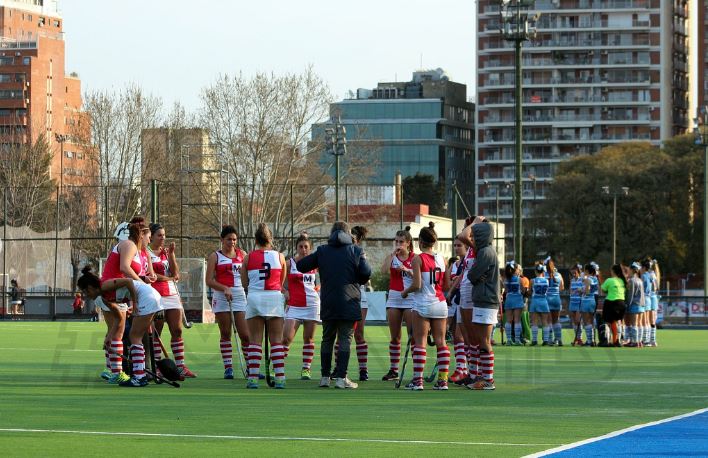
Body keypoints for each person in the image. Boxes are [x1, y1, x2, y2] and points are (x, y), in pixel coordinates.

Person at [297, 221, 372, 390]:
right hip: (349, 301)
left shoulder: (323, 250)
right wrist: (357, 279)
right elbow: (367, 272)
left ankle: (325, 377)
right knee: (345, 339)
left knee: (327, 339)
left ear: (331, 233)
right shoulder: (356, 250)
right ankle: (341, 378)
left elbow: (301, 266)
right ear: (348, 234)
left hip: (328, 302)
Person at [97, 220, 150, 384]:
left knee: (114, 332)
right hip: (113, 291)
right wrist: (141, 285)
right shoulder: (129, 245)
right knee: (118, 333)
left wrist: (142, 280)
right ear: (141, 235)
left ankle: (111, 370)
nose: (148, 240)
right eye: (147, 236)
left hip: (118, 292)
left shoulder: (136, 250)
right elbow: (124, 268)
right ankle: (117, 372)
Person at [400, 222, 450, 390]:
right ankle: (443, 381)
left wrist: (405, 292)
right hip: (440, 303)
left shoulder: (418, 258)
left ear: (420, 241)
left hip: (423, 304)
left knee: (420, 342)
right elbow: (446, 285)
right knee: (441, 342)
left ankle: (418, 381)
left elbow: (417, 285)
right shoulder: (442, 259)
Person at [241, 223, 287, 389]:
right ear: (270, 239)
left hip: (255, 297)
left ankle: (253, 379)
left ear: (255, 240)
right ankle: (280, 378)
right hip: (274, 297)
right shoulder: (280, 257)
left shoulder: (248, 257)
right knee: (276, 340)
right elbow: (281, 281)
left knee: (255, 340)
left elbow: (244, 283)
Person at [148, 223, 196, 378]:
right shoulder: (146, 252)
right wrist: (169, 278)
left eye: (164, 235)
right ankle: (157, 367)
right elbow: (152, 275)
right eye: (159, 235)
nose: (163, 238)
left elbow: (176, 274)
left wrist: (172, 254)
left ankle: (181, 366)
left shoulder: (166, 252)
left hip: (171, 294)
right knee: (158, 331)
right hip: (155, 294)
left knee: (177, 330)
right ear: (151, 237)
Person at [206, 225, 250, 380]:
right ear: (222, 240)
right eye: (229, 239)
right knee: (225, 333)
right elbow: (209, 280)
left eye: (234, 239)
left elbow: (248, 276)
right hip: (221, 297)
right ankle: (228, 368)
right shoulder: (215, 256)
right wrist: (224, 288)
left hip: (239, 296)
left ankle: (251, 367)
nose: (232, 242)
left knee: (245, 334)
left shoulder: (242, 254)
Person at [466, 219, 500, 390]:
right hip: (485, 300)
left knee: (484, 341)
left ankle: (488, 380)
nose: (472, 239)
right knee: (482, 341)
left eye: (475, 235)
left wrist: (475, 276)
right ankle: (484, 377)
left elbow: (472, 275)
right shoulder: (487, 251)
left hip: (486, 301)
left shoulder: (485, 252)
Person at [282, 232, 320, 381]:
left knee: (309, 339)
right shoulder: (289, 263)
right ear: (296, 248)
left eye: (306, 247)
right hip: (294, 305)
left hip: (312, 304)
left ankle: (306, 369)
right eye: (300, 247)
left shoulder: (315, 264)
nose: (303, 249)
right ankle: (277, 367)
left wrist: (320, 287)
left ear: (310, 248)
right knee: (286, 338)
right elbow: (278, 282)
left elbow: (325, 279)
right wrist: (285, 291)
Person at [380, 226, 415, 382]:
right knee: (395, 337)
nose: (398, 244)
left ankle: (416, 371)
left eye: (401, 242)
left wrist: (406, 270)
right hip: (394, 298)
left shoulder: (415, 258)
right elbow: (383, 271)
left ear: (408, 243)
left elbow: (420, 278)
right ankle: (394, 370)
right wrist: (392, 255)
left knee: (413, 337)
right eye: (396, 241)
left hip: (410, 298)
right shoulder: (393, 257)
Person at [446, 241, 468, 383]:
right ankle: (462, 369)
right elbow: (448, 283)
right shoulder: (454, 264)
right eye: (454, 245)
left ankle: (464, 370)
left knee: (461, 336)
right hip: (454, 300)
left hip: (465, 300)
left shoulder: (469, 262)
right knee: (455, 336)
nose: (456, 248)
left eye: (459, 245)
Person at [351, 225, 370, 381]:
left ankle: (363, 370)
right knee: (341, 334)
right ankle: (337, 369)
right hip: (343, 296)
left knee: (359, 334)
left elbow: (365, 275)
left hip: (359, 295)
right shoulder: (340, 252)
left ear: (357, 239)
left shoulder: (360, 253)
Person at [601, 264, 626, 347]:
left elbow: (603, 289)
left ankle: (607, 341)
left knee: (608, 322)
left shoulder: (609, 280)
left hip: (611, 303)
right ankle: (617, 340)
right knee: (618, 322)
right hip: (621, 303)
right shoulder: (622, 281)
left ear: (613, 271)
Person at [503, 261, 525, 346]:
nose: (519, 271)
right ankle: (517, 340)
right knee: (517, 320)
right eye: (517, 269)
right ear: (515, 270)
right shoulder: (519, 279)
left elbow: (506, 291)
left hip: (509, 300)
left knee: (508, 320)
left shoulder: (506, 280)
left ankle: (509, 340)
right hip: (518, 300)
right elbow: (523, 291)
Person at [623, 262, 645, 347]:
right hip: (641, 305)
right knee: (639, 324)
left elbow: (630, 295)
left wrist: (627, 304)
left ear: (632, 270)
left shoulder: (631, 280)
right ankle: (639, 341)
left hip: (634, 305)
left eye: (629, 270)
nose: (628, 271)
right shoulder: (640, 280)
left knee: (634, 324)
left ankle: (634, 342)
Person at [545, 258, 565, 345]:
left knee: (548, 321)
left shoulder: (544, 275)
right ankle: (559, 339)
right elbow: (562, 287)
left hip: (547, 299)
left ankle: (550, 340)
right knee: (556, 320)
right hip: (556, 299)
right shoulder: (559, 275)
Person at [529, 263, 550, 346]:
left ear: (536, 271)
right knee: (545, 321)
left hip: (535, 301)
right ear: (543, 271)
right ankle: (546, 340)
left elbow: (530, 292)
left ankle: (534, 340)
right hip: (544, 301)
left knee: (534, 321)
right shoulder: (547, 280)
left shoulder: (532, 280)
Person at [581, 263, 599, 346]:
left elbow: (587, 291)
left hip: (586, 301)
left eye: (585, 270)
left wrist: (581, 290)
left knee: (586, 321)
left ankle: (589, 341)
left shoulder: (588, 279)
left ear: (587, 271)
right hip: (593, 300)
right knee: (591, 320)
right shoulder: (595, 278)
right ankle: (593, 340)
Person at [568, 264, 584, 346]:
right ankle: (577, 338)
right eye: (572, 273)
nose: (574, 274)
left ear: (578, 272)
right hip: (572, 302)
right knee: (574, 321)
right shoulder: (572, 280)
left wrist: (580, 290)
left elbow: (584, 290)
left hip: (579, 302)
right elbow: (570, 291)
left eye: (575, 273)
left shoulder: (582, 280)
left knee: (578, 321)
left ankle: (580, 338)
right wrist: (572, 292)